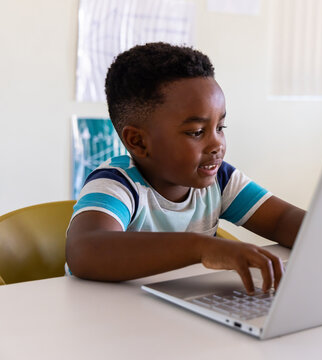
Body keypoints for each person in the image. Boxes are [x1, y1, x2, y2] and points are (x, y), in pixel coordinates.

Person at [66, 42, 305, 294]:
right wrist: (201, 248)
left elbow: (280, 220)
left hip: (174, 311)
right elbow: (85, 251)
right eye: (196, 132)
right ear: (138, 141)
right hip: (103, 318)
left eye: (220, 128)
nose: (216, 144)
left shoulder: (220, 180)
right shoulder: (118, 184)